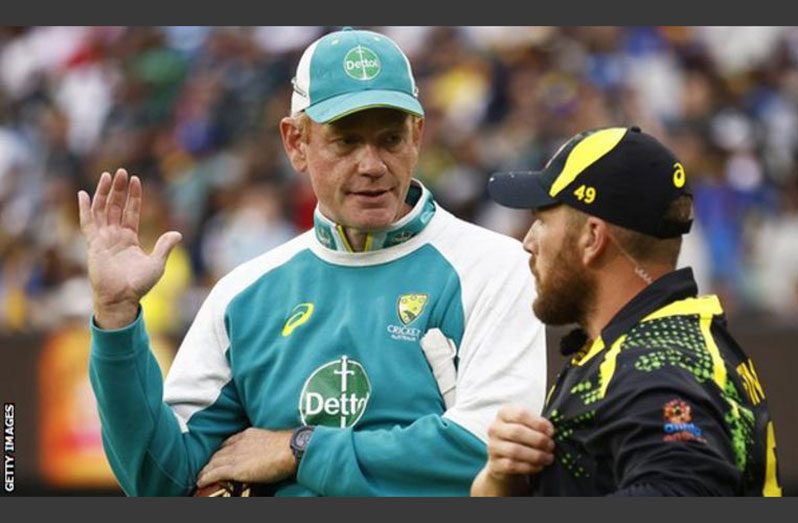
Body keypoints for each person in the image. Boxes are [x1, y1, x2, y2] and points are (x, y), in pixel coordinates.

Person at [79, 27, 547, 496]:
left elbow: (491, 457)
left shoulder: (496, 269)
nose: (372, 164)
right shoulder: (243, 294)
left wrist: (299, 448)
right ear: (296, 142)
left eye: (390, 139)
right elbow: (161, 479)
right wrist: (117, 319)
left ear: (417, 136)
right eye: (345, 142)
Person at [470, 126, 782, 496]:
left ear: (592, 238)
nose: (528, 242)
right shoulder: (649, 343)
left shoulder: (657, 365)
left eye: (543, 220)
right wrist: (504, 482)